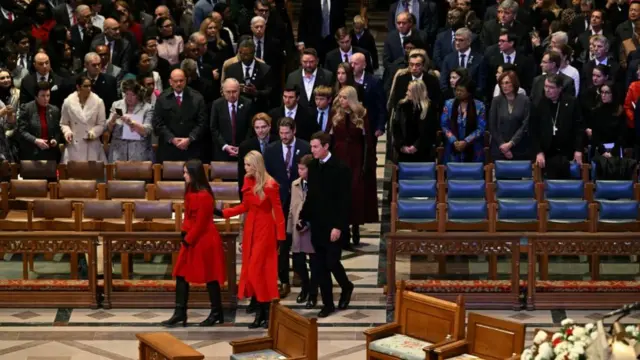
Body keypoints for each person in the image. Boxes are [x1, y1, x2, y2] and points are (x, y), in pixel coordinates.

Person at [217, 150, 286, 329]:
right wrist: (224, 213)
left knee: (257, 271)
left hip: (265, 230)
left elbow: (278, 212)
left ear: (256, 165)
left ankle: (265, 311)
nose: (245, 168)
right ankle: (262, 313)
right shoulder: (249, 180)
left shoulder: (271, 185)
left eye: (248, 165)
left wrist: (280, 238)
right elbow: (245, 206)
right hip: (251, 229)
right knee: (253, 272)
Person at [161, 159, 227, 327]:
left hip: (204, 240)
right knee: (181, 274)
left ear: (194, 174)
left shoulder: (205, 195)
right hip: (191, 238)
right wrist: (184, 232)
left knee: (210, 276)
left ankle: (216, 312)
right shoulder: (190, 190)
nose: (183, 176)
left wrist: (188, 238)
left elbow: (202, 223)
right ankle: (180, 312)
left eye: (186, 172)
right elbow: (189, 216)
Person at [299, 131, 353, 318]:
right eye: (311, 146)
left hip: (334, 225)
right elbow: (311, 195)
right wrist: (303, 216)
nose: (311, 150)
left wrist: (338, 226)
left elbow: (345, 200)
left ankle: (346, 286)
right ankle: (328, 304)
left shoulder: (340, 168)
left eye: (315, 147)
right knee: (319, 266)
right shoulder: (313, 166)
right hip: (318, 224)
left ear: (325, 147)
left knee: (331, 262)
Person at [330, 86, 378, 247]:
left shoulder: (361, 114)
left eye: (345, 98)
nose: (342, 101)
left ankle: (355, 225)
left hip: (356, 157)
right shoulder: (335, 114)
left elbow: (367, 140)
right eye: (340, 97)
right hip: (339, 155)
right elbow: (330, 137)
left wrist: (368, 162)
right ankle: (343, 230)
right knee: (340, 193)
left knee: (355, 192)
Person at [530, 74, 583, 179]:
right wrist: (538, 152)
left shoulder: (571, 102)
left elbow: (579, 127)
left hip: (567, 151)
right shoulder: (538, 103)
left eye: (551, 87)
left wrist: (578, 150)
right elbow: (533, 130)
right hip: (546, 151)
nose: (547, 90)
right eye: (546, 86)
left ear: (560, 88)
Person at [287, 154, 317, 309]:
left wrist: (308, 223)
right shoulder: (295, 184)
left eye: (302, 169)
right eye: (298, 168)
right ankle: (305, 287)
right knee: (298, 262)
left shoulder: (317, 184)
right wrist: (289, 229)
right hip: (297, 229)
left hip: (312, 229)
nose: (299, 171)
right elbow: (292, 209)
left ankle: (313, 293)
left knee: (314, 263)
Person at [60, 75, 107, 163]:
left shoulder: (98, 102)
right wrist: (67, 132)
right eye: (85, 86)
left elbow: (101, 124)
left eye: (90, 86)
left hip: (92, 146)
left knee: (93, 175)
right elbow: (64, 123)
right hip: (74, 146)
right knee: (73, 175)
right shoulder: (68, 102)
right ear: (78, 87)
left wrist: (93, 132)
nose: (89, 88)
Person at [106, 79, 154, 162]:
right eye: (127, 94)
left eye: (133, 95)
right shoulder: (117, 105)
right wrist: (113, 119)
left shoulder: (147, 108)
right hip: (118, 152)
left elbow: (148, 130)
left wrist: (132, 123)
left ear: (138, 95)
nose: (129, 98)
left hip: (139, 152)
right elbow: (109, 129)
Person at [440, 78, 486, 163]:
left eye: (461, 91)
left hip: (473, 148)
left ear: (469, 92)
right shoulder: (448, 104)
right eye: (457, 90)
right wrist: (454, 140)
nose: (458, 93)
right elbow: (444, 125)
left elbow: (481, 128)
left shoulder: (480, 106)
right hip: (452, 147)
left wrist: (466, 141)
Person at [489, 70, 531, 161]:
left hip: (519, 147)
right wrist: (503, 145)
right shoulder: (496, 101)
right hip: (499, 148)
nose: (504, 86)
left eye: (507, 83)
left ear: (514, 83)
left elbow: (525, 125)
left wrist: (511, 143)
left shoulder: (524, 100)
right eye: (502, 83)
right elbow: (492, 126)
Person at [392, 80, 438, 163]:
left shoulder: (429, 108)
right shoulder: (402, 105)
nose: (406, 93)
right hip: (404, 151)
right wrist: (402, 146)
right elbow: (396, 127)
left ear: (417, 92)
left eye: (409, 91)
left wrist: (416, 146)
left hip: (423, 152)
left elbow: (429, 131)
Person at [16, 81, 62, 162]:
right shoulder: (26, 109)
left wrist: (55, 140)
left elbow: (57, 130)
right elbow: (22, 131)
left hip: (50, 153)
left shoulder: (54, 110)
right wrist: (35, 140)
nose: (46, 99)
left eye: (48, 95)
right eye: (43, 96)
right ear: (36, 96)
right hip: (31, 153)